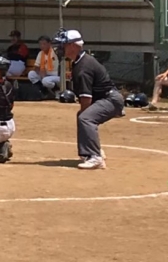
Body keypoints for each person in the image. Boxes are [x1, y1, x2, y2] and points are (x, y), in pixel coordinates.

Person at [53, 28, 124, 170]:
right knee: (83, 116)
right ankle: (93, 151)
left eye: (63, 45)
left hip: (110, 99)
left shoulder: (83, 67)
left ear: (73, 46)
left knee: (85, 118)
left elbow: (86, 98)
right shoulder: (79, 61)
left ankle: (95, 157)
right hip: (106, 98)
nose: (59, 48)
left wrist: (84, 113)